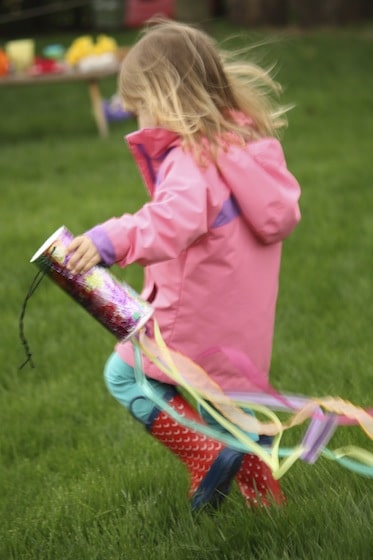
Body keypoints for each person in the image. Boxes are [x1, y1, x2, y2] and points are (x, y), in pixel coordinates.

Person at [67, 19, 301, 511]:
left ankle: (203, 456)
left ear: (167, 96)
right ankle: (265, 509)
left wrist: (109, 239)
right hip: (241, 334)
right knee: (234, 416)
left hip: (190, 323)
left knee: (125, 376)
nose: (140, 120)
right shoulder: (243, 145)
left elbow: (170, 220)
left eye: (142, 107)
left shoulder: (190, 158)